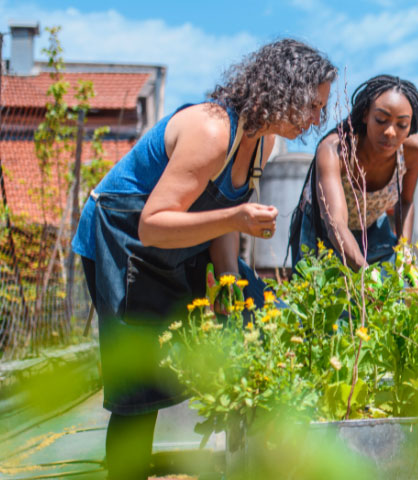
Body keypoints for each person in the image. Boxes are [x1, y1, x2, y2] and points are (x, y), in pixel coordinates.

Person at [71, 39, 336, 479]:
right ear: (283, 89)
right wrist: (236, 217)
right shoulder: (212, 132)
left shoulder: (262, 143)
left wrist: (230, 281)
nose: (316, 119)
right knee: (140, 384)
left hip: (180, 247)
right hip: (124, 245)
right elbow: (153, 224)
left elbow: (221, 224)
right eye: (312, 105)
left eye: (322, 110)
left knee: (259, 315)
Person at [289, 75, 418, 270]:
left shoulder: (413, 151)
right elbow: (335, 223)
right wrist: (366, 275)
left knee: (396, 290)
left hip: (371, 227)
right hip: (323, 231)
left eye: (402, 125)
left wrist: (405, 251)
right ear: (365, 115)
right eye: (381, 120)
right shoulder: (336, 150)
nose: (390, 132)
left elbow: (405, 201)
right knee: (322, 297)